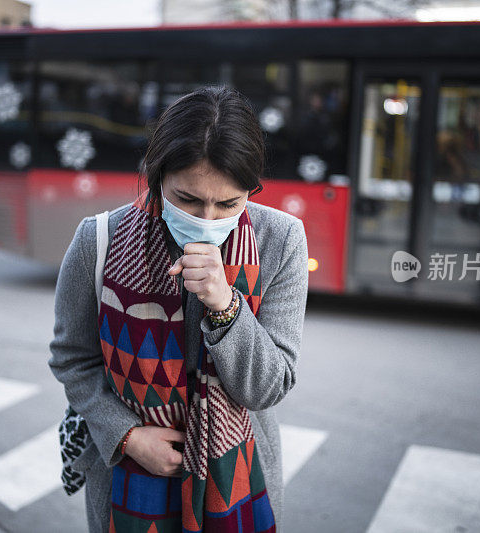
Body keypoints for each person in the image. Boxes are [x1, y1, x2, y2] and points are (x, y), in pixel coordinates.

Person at [48, 85, 309, 532]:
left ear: (251, 190)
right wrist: (127, 436)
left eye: (228, 203)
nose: (207, 220)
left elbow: (269, 386)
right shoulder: (98, 240)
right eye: (187, 199)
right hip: (127, 480)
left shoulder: (281, 240)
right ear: (157, 177)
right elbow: (73, 357)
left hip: (241, 477)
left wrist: (225, 305)